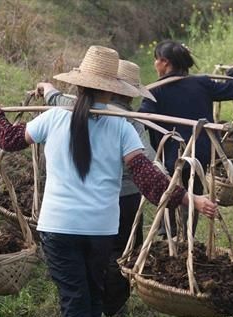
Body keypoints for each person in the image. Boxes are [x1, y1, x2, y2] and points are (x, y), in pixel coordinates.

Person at [0, 45, 217, 317]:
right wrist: (189, 198)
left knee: (76, 300)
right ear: (112, 89)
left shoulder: (53, 117)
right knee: (92, 296)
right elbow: (148, 179)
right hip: (101, 230)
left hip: (58, 227)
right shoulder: (123, 127)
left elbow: (8, 139)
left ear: (78, 85)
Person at [36, 59, 156, 317]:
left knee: (81, 291)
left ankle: (104, 304)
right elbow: (146, 167)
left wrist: (46, 89)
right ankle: (113, 304)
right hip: (115, 205)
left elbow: (54, 102)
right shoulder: (128, 124)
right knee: (118, 256)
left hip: (81, 215)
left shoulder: (68, 111)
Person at [139, 39, 233, 238]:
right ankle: (187, 235)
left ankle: (168, 234)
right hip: (199, 153)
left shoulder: (155, 90)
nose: (155, 64)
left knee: (170, 190)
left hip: (171, 153)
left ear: (164, 62)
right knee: (194, 191)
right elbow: (230, 90)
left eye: (155, 60)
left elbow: (143, 118)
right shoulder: (201, 83)